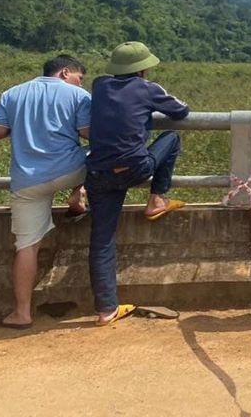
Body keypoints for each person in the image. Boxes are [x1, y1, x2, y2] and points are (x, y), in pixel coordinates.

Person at [85, 41, 190, 326]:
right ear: (142, 68)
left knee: (102, 241)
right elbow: (181, 111)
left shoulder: (99, 85)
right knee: (172, 138)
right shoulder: (148, 88)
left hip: (98, 173)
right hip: (135, 168)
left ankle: (106, 309)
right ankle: (157, 199)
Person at [0, 55, 91, 329]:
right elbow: (89, 133)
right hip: (70, 171)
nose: (80, 84)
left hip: (27, 181)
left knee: (26, 247)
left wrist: (10, 117)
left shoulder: (12, 94)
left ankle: (21, 313)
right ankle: (76, 194)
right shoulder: (79, 96)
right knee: (97, 153)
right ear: (65, 72)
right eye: (79, 78)